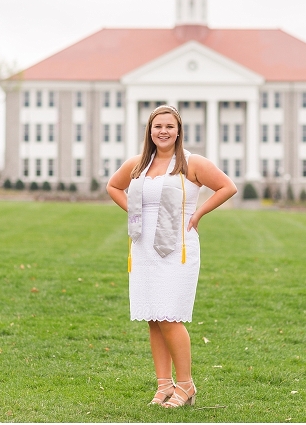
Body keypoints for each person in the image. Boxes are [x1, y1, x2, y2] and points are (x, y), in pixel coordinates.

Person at [106, 104, 237, 408]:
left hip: (176, 248)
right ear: (149, 131)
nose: (163, 132)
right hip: (142, 248)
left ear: (178, 130)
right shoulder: (138, 164)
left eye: (169, 126)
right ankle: (164, 384)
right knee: (153, 317)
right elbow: (113, 186)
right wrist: (134, 213)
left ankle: (187, 385)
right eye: (157, 127)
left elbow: (227, 187)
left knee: (170, 316)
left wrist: (199, 213)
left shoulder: (191, 163)